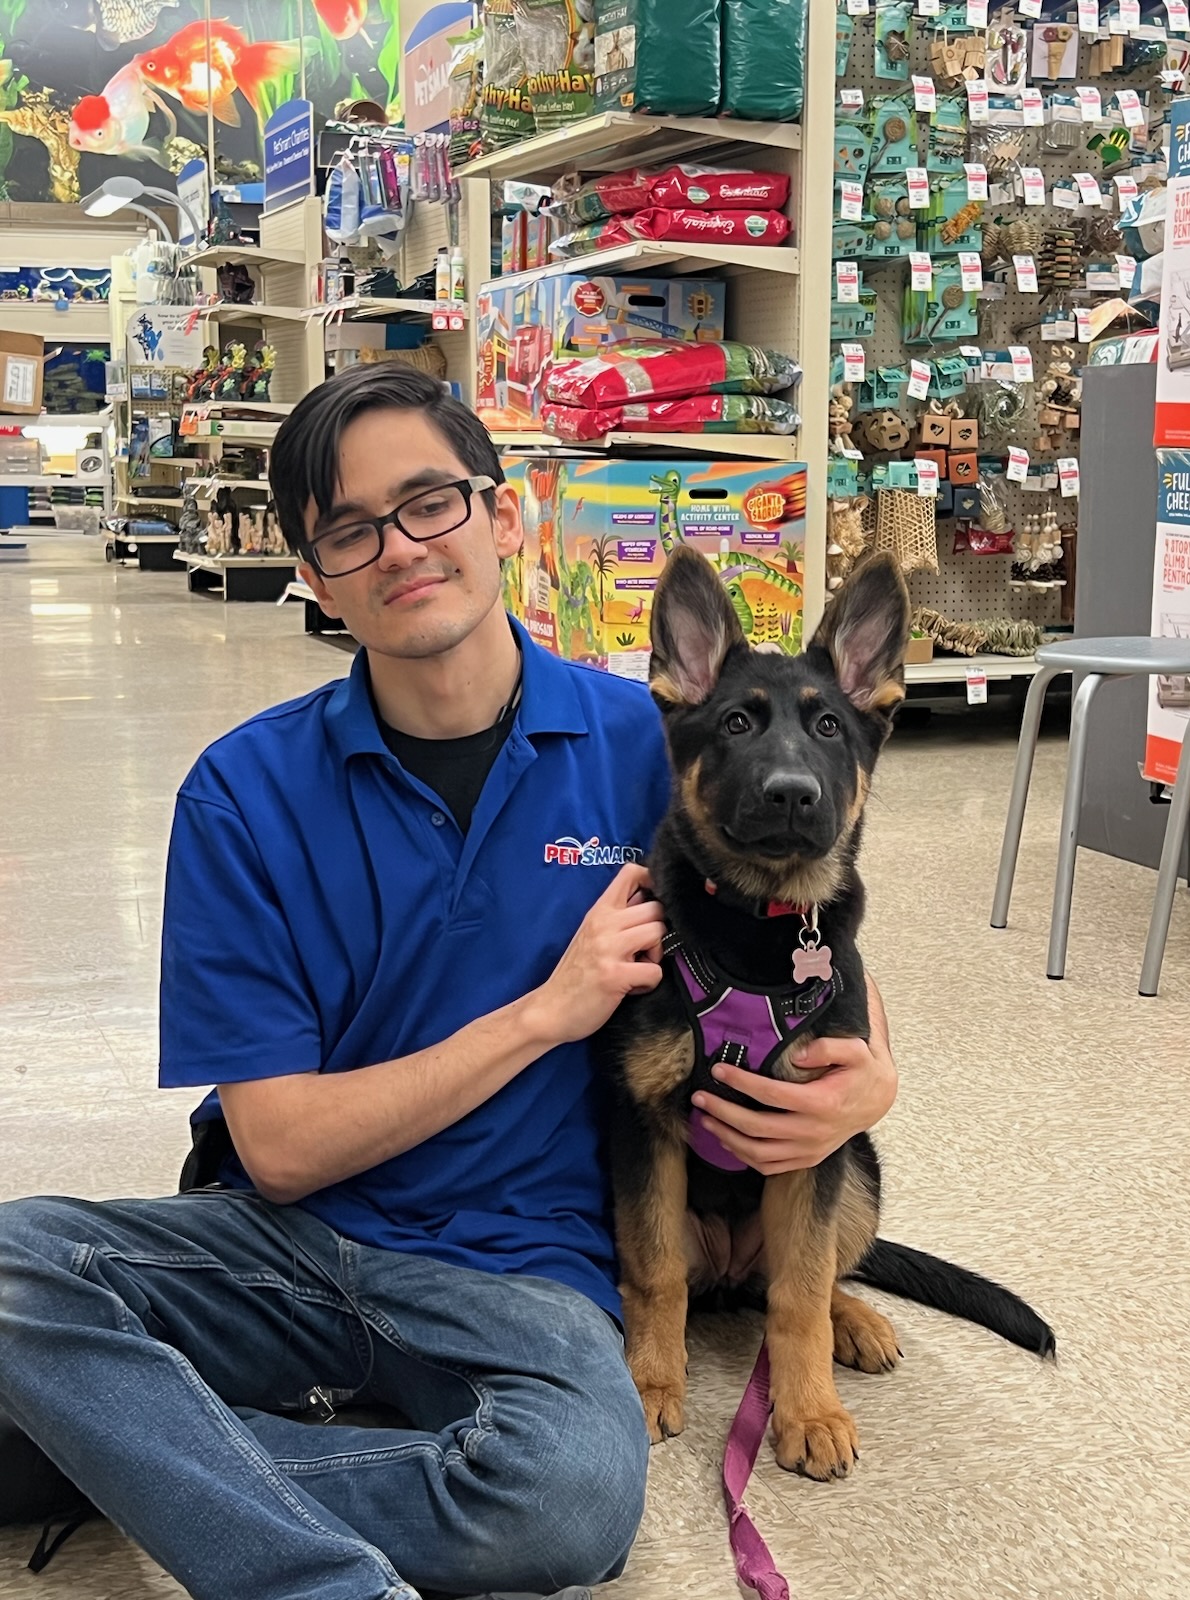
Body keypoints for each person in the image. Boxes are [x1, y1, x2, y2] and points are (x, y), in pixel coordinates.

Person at [0, 367, 897, 1600]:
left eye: (431, 503)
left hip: (525, 1266)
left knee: (568, 1492)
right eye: (350, 531)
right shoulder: (241, 792)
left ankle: (136, 1450)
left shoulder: (650, 741)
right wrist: (542, 1015)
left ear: (504, 515)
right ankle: (209, 1469)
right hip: (283, 1244)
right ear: (313, 575)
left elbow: (806, 911)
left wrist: (871, 1075)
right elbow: (280, 1153)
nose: (402, 549)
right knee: (14, 1264)